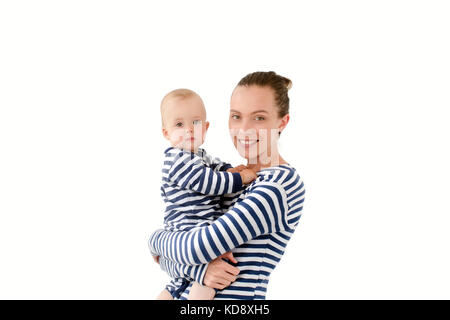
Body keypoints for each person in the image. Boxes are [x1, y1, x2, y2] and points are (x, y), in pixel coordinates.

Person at [149, 71, 305, 299]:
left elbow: (198, 248)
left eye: (259, 118)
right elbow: (182, 257)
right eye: (236, 116)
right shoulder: (232, 178)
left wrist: (156, 241)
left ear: (283, 121)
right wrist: (194, 269)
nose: (244, 129)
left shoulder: (278, 185)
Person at [156, 88, 257, 300]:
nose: (189, 130)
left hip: (197, 227)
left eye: (196, 123)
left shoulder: (199, 156)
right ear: (166, 133)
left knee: (179, 282)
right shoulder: (178, 160)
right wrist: (241, 179)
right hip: (187, 228)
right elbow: (209, 182)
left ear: (206, 127)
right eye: (179, 124)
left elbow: (218, 169)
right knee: (211, 275)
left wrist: (233, 170)